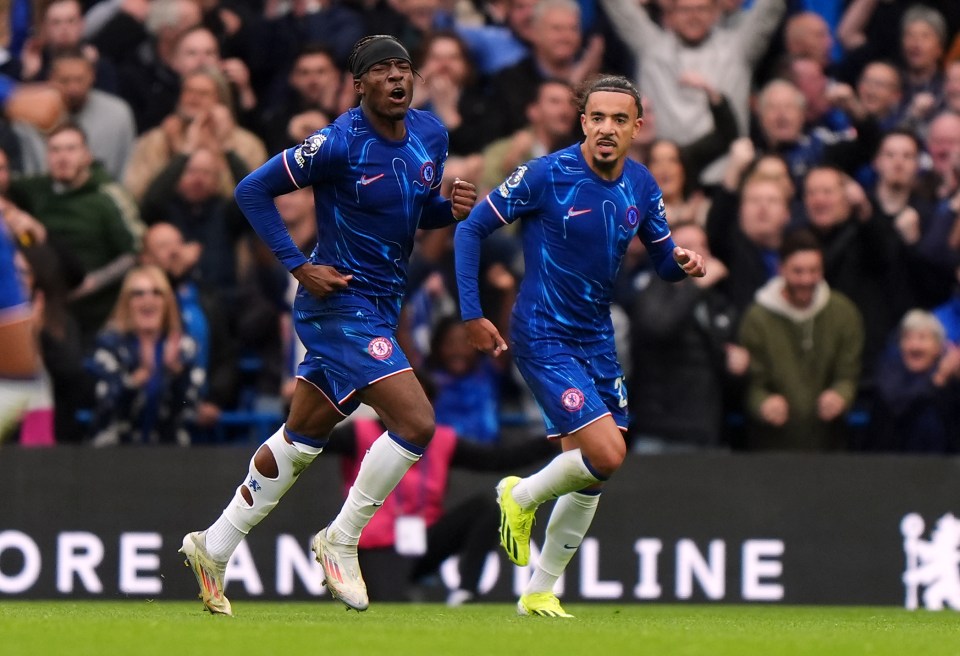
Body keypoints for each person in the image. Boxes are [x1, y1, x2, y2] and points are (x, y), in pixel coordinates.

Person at [179, 35, 478, 616]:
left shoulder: (431, 135)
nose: (396, 78)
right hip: (337, 302)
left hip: (381, 304)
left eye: (403, 68)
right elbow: (252, 189)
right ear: (358, 84)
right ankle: (340, 539)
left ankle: (214, 545)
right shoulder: (337, 142)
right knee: (416, 423)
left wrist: (451, 209)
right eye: (382, 70)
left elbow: (417, 213)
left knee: (301, 440)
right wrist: (298, 265)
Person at [453, 74, 705, 618]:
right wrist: (472, 314)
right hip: (543, 332)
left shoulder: (641, 185)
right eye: (598, 117)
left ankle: (540, 591)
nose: (607, 128)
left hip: (596, 337)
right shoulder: (547, 174)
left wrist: (681, 263)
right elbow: (470, 228)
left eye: (620, 119)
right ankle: (516, 497)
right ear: (582, 121)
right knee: (607, 453)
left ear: (638, 127)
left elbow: (661, 260)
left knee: (588, 475)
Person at [738, 229, 864, 451]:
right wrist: (763, 402)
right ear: (781, 270)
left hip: (830, 445)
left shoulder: (843, 312)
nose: (806, 280)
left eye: (814, 271)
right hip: (771, 448)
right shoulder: (757, 318)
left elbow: (849, 375)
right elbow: (751, 384)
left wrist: (841, 395)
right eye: (798, 271)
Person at [85, 264, 203, 445]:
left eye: (157, 292)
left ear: (167, 302)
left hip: (170, 453)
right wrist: (134, 382)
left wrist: (177, 374)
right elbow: (105, 408)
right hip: (113, 452)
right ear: (126, 303)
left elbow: (189, 410)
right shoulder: (108, 346)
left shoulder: (184, 347)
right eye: (138, 293)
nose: (148, 300)